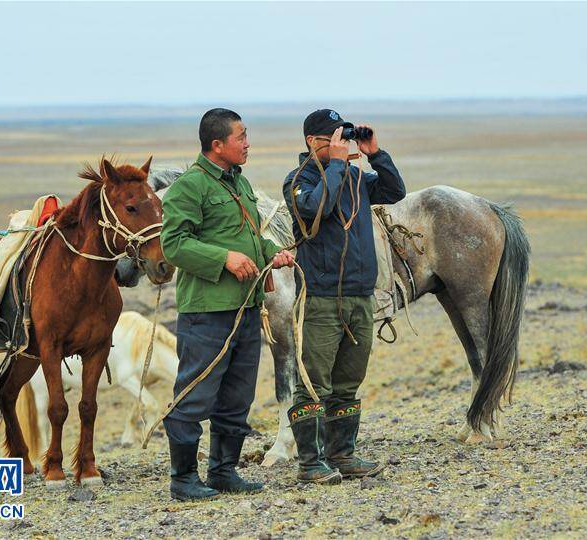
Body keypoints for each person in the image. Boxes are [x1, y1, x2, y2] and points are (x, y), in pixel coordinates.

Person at [160, 108, 295, 501]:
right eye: (241, 137)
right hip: (207, 311)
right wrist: (224, 259)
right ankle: (183, 479)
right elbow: (174, 244)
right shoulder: (191, 186)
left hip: (247, 307)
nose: (248, 143)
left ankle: (223, 472)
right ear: (217, 145)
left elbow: (250, 237)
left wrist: (273, 251)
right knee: (195, 395)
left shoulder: (240, 183)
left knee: (237, 396)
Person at [282, 109, 406, 484]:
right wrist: (336, 165)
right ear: (312, 142)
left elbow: (394, 192)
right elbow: (315, 207)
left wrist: (375, 154)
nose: (343, 145)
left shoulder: (355, 177)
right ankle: (310, 463)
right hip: (320, 298)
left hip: (358, 296)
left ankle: (342, 455)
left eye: (345, 138)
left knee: (348, 381)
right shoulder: (297, 181)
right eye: (334, 139)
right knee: (314, 382)